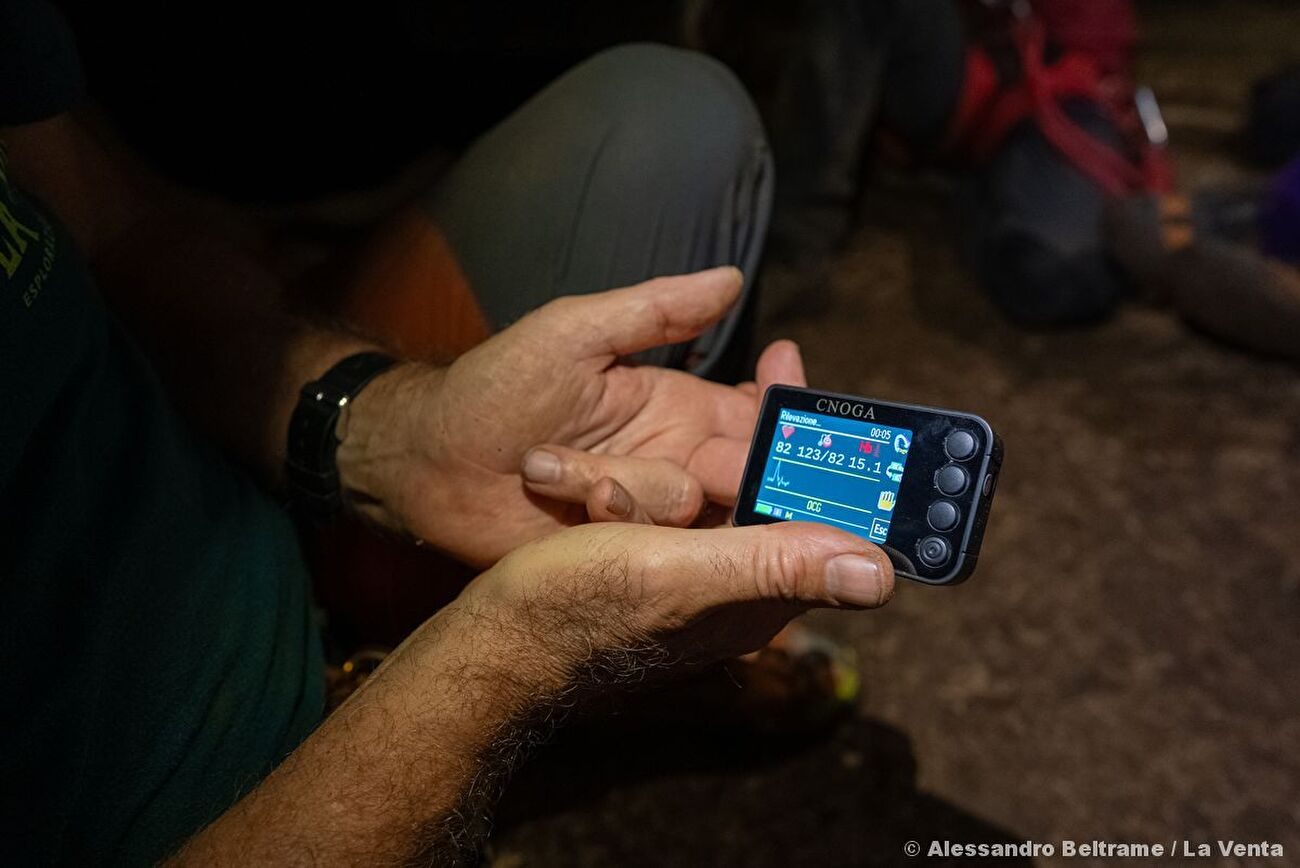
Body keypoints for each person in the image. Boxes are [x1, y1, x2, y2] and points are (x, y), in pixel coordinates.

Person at [0, 1, 896, 864]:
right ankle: (473, 680)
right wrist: (517, 659)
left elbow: (111, 229)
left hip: (217, 499)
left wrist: (389, 431)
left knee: (674, 125)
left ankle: (388, 622)